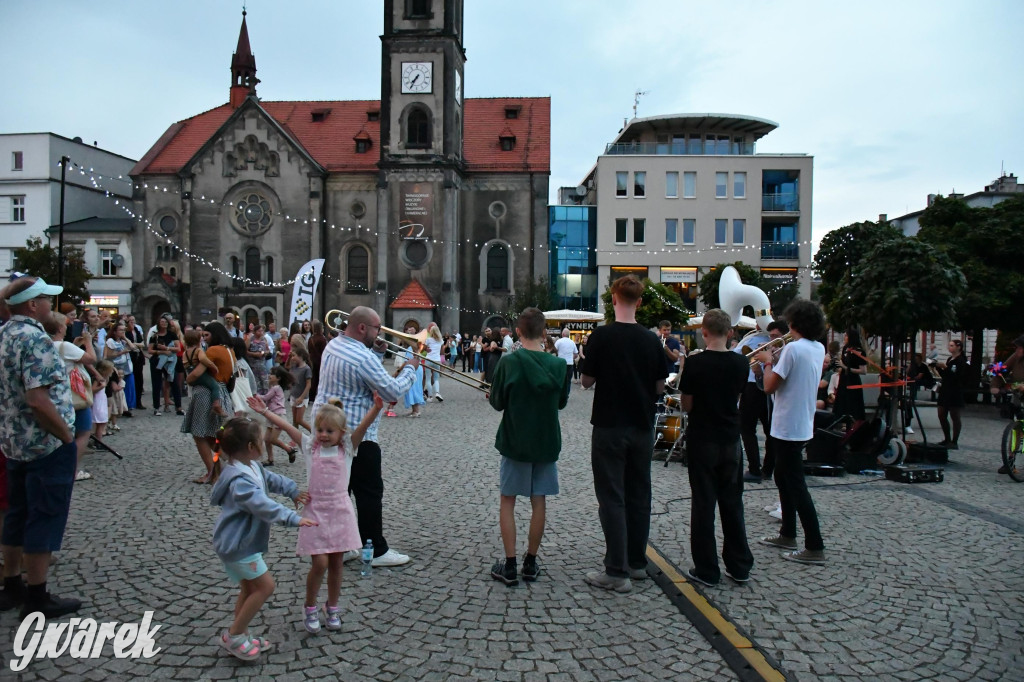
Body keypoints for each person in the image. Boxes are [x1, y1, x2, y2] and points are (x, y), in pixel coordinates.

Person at [249, 391, 382, 633]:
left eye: (329, 431)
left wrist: (375, 408)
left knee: (337, 564)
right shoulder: (311, 447)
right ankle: (310, 606)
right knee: (319, 563)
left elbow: (364, 426)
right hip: (316, 511)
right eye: (319, 429)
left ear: (341, 433)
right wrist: (264, 412)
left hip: (340, 511)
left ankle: (332, 606)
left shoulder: (348, 448)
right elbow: (288, 427)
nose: (323, 435)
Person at [578, 275, 667, 592]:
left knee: (612, 496)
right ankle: (637, 563)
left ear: (613, 299)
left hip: (609, 425)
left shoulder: (602, 337)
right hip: (642, 426)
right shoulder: (651, 339)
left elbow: (587, 381)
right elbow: (659, 386)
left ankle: (616, 572)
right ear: (640, 302)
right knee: (640, 495)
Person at [313, 306, 420, 567]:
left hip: (327, 429)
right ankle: (376, 550)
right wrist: (410, 368)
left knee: (340, 492)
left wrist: (376, 351)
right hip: (357, 435)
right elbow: (391, 392)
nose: (380, 332)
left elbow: (356, 373)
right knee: (369, 492)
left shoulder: (335, 344)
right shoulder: (362, 357)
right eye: (377, 328)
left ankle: (342, 545)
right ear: (362, 328)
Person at [0, 276, 81, 618]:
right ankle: (36, 595)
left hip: (13, 442)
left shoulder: (4, 333)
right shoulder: (35, 338)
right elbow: (38, 399)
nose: (52, 306)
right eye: (46, 300)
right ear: (32, 305)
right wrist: (64, 435)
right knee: (43, 517)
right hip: (44, 443)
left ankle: (12, 586)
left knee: (16, 514)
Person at [210, 417, 316, 660]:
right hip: (238, 545)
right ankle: (234, 636)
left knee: (249, 589)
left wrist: (291, 490)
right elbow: (262, 505)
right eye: (261, 440)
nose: (265, 441)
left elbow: (270, 480)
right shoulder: (239, 480)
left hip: (240, 543)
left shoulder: (251, 466)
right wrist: (293, 518)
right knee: (266, 586)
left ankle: (239, 633)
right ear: (251, 447)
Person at [488, 308, 569, 586]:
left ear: (518, 332)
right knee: (539, 502)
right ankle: (531, 562)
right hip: (546, 441)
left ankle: (509, 565)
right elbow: (561, 403)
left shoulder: (509, 363)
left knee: (507, 500)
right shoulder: (559, 366)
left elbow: (497, 402)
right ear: (545, 333)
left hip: (515, 441)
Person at [678, 309, 754, 586]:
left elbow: (687, 404)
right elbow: (736, 396)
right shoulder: (741, 363)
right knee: (733, 503)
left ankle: (707, 569)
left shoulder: (695, 364)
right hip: (731, 438)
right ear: (731, 333)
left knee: (703, 504)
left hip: (702, 438)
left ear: (704, 332)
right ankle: (739, 565)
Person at [754, 299, 828, 565]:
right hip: (799, 423)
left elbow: (770, 387)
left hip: (787, 425)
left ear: (794, 323)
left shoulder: (794, 349)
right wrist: (772, 361)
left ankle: (814, 545)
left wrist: (766, 363)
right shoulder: (817, 348)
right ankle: (787, 532)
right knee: (783, 478)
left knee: (795, 485)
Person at [183, 322, 234, 484]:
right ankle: (235, 465)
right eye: (202, 336)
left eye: (207, 335)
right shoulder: (229, 350)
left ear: (215, 334)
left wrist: (188, 379)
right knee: (213, 436)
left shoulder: (213, 350)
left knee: (199, 433)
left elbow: (196, 374)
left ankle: (212, 472)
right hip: (222, 391)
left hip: (206, 393)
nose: (204, 339)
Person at [736, 325, 772, 482]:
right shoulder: (773, 338)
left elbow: (737, 357)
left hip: (753, 385)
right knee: (770, 429)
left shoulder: (751, 339)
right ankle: (768, 469)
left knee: (747, 428)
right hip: (770, 384)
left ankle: (754, 469)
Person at [182, 330, 228, 418]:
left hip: (190, 374)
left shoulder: (185, 352)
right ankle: (216, 405)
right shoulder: (198, 350)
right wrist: (213, 366)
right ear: (197, 340)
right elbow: (203, 359)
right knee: (215, 386)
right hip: (200, 375)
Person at [258, 366, 296, 466]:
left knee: (273, 439)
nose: (269, 376)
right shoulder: (274, 387)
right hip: (272, 415)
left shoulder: (276, 388)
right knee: (267, 439)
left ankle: (289, 449)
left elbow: (266, 398)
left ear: (278, 378)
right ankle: (270, 459)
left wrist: (255, 395)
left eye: (272, 374)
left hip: (278, 416)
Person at [937, 339, 968, 449]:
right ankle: (947, 438)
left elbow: (957, 377)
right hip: (945, 389)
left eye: (952, 345)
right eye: (949, 345)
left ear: (958, 347)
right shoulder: (950, 359)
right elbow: (946, 375)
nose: (950, 347)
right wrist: (938, 368)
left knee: (955, 415)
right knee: (941, 414)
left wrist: (945, 368)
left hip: (955, 390)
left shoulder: (961, 360)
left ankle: (954, 441)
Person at [833, 327, 867, 421]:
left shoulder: (859, 351)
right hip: (844, 379)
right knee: (842, 403)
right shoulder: (845, 348)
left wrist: (846, 368)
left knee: (853, 404)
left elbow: (863, 371)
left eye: (846, 336)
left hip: (853, 381)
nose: (845, 337)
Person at [400, 335, 425, 418]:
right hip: (417, 368)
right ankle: (414, 410)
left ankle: (416, 411)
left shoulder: (412, 348)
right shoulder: (414, 348)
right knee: (414, 388)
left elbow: (408, 361)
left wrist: (398, 371)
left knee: (413, 389)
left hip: (414, 369)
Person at [289, 347, 313, 433]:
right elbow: (286, 367)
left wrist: (301, 397)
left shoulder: (306, 369)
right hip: (294, 395)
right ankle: (295, 438)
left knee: (299, 420)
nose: (292, 358)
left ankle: (312, 431)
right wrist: (289, 357)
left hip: (302, 397)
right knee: (295, 420)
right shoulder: (294, 367)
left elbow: (308, 384)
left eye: (294, 356)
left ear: (301, 356)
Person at [553, 328, 578, 399]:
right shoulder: (572, 342)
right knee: (568, 380)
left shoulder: (559, 341)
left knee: (560, 379)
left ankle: (560, 394)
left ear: (562, 334)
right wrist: (571, 357)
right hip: (570, 363)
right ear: (569, 335)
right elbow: (576, 354)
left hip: (560, 363)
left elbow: (554, 351)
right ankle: (566, 395)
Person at [307, 320, 328, 403]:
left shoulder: (311, 338)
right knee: (320, 379)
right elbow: (324, 351)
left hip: (312, 361)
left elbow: (309, 350)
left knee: (313, 379)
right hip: (320, 361)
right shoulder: (322, 339)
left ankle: (311, 396)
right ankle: (319, 395)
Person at [247, 326, 271, 393]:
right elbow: (245, 351)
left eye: (262, 331)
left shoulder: (264, 339)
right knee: (256, 382)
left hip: (262, 364)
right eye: (259, 331)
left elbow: (268, 350)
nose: (261, 332)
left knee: (264, 381)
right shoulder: (250, 339)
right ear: (254, 332)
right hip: (253, 365)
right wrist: (254, 354)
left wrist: (263, 353)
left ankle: (266, 395)